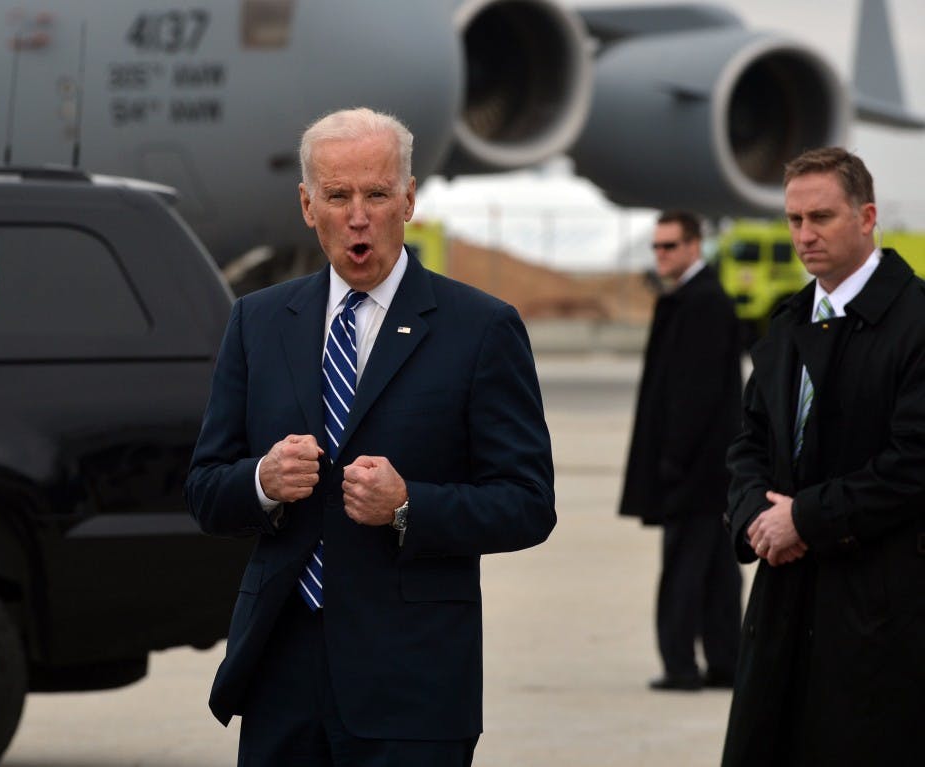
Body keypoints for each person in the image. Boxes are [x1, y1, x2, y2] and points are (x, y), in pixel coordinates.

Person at [184, 107, 556, 766]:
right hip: (280, 674)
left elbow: (527, 503)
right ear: (307, 205)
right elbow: (206, 489)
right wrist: (261, 482)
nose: (358, 215)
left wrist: (410, 504)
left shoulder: (481, 329)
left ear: (408, 199)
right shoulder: (257, 321)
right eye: (338, 195)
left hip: (411, 684)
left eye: (377, 194)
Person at [721, 147, 925, 766]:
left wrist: (805, 519)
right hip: (785, 597)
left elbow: (912, 463)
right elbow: (747, 441)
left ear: (866, 217)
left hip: (881, 607)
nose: (804, 235)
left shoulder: (915, 321)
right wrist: (757, 515)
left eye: (822, 217)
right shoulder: (789, 324)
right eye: (794, 220)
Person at [619, 210, 743, 691]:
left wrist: (672, 459)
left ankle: (681, 665)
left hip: (696, 469)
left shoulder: (702, 302)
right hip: (710, 468)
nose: (661, 255)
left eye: (670, 246)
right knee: (715, 569)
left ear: (694, 246)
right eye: (656, 247)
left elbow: (696, 392)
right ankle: (725, 662)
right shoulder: (692, 298)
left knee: (687, 569)